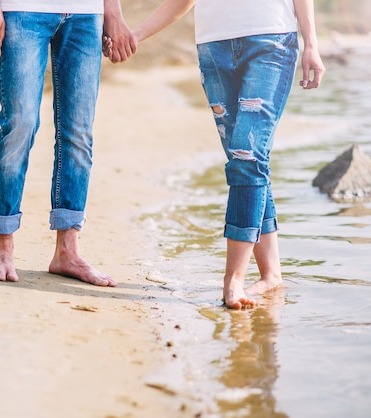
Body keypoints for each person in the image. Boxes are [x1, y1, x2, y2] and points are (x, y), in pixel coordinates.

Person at [106, 0, 325, 308]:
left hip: (271, 40)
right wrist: (136, 35)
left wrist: (311, 44)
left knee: (246, 155)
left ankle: (233, 279)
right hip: (214, 47)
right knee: (248, 161)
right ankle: (271, 273)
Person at [0, 0, 136, 286]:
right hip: (22, 9)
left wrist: (114, 12)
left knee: (79, 132)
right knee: (19, 124)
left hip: (86, 15)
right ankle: (1, 244)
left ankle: (67, 251)